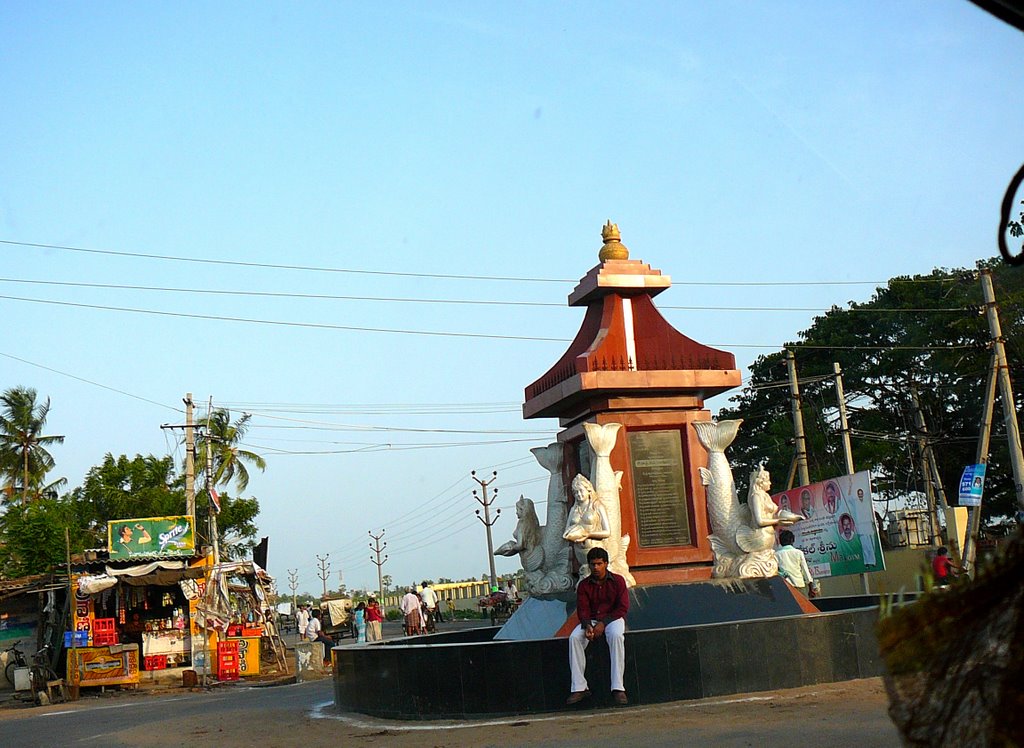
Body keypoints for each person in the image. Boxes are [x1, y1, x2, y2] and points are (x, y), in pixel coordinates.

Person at [566, 546, 630, 706]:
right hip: (592, 620)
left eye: (599, 564)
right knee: (574, 638)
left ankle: (618, 688)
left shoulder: (618, 581)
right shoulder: (584, 585)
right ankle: (579, 687)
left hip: (613, 618)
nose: (596, 567)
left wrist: (604, 623)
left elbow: (622, 607)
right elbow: (583, 609)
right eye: (593, 564)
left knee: (616, 636)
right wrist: (587, 625)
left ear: (606, 564)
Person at [775, 530, 815, 597]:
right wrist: (811, 588)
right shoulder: (798, 553)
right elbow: (805, 571)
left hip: (785, 587)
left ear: (780, 542)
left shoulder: (776, 555)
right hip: (799, 585)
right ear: (792, 540)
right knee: (802, 607)